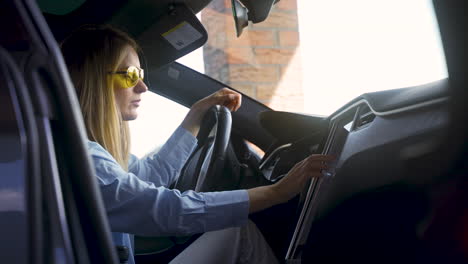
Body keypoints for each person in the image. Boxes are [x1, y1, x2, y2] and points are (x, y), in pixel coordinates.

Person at [60, 24, 334, 264]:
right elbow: (166, 210)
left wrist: (195, 116)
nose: (143, 86)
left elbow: (147, 177)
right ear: (94, 81)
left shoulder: (89, 152)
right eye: (130, 74)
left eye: (141, 73)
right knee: (241, 236)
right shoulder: (85, 160)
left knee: (236, 234)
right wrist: (276, 192)